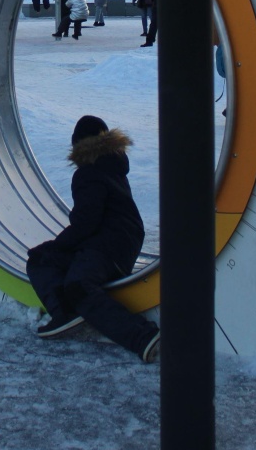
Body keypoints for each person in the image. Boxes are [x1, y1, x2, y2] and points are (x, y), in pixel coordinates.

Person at [25, 115, 161, 363]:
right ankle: (69, 312)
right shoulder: (113, 166)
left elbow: (86, 222)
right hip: (123, 247)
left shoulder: (88, 173)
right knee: (69, 272)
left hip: (106, 246)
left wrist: (57, 245)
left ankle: (141, 336)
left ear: (78, 146)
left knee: (59, 272)